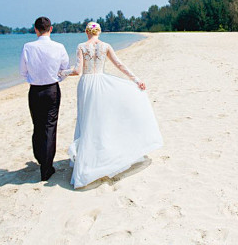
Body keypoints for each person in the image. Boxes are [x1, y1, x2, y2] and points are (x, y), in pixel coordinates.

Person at [60, 21, 163, 188]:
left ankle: (87, 161)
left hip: (86, 84)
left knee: (85, 120)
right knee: (100, 119)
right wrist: (136, 79)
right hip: (100, 83)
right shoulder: (105, 46)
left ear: (87, 32)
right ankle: (100, 156)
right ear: (98, 32)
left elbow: (77, 71)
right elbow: (119, 65)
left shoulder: (81, 46)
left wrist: (61, 72)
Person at [19, 16, 70, 181]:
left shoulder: (28, 47)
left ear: (35, 29)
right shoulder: (59, 47)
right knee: (50, 127)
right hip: (52, 90)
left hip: (35, 91)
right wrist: (56, 79)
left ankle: (41, 160)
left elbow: (23, 72)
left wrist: (33, 80)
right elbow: (65, 69)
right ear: (51, 29)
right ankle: (46, 167)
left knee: (37, 125)